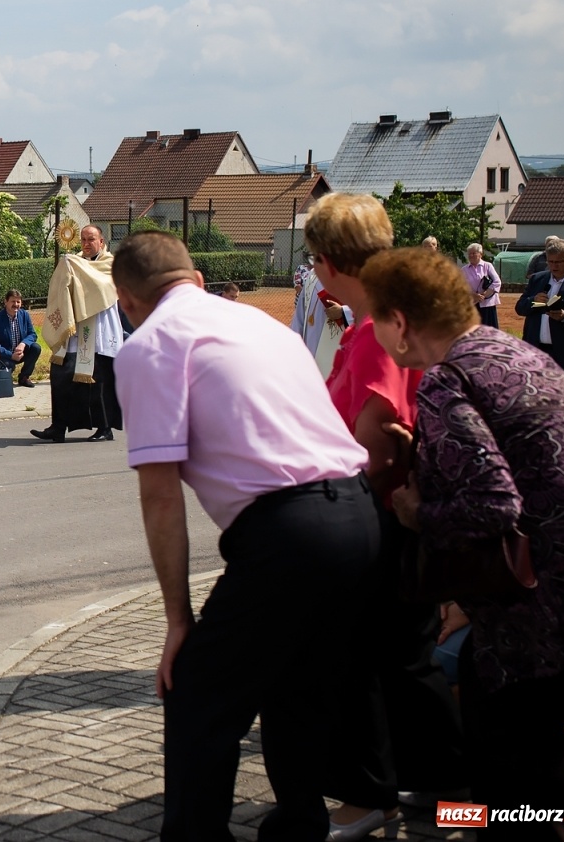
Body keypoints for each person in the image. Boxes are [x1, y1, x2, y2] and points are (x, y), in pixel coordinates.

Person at [111, 231, 379, 839]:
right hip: (359, 514)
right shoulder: (262, 325)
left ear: (126, 301)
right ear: (198, 279)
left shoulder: (150, 346)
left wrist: (180, 620)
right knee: (298, 687)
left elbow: (160, 494)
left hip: (289, 530)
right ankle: (299, 826)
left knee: (198, 698)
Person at [364, 247, 564, 836]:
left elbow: (493, 506)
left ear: (399, 321)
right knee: (491, 705)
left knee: (507, 722)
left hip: (558, 593)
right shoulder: (514, 351)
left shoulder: (445, 380)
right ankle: (503, 819)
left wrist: (416, 508)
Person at [303, 194, 465, 839]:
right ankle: (448, 792)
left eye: (315, 259)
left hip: (372, 516)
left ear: (333, 263)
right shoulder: (372, 330)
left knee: (351, 657)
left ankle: (366, 795)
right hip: (390, 517)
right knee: (404, 658)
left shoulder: (374, 336)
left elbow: (373, 446)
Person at [33, 224, 122, 443]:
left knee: (98, 382)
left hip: (98, 332)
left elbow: (101, 288)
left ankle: (104, 428)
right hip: (74, 330)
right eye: (82, 239)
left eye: (91, 239)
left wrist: (74, 266)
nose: (86, 244)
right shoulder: (74, 263)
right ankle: (58, 427)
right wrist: (67, 270)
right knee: (60, 375)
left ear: (101, 241)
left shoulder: (110, 265)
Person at [514, 238, 564, 379]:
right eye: (550, 261)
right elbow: (520, 308)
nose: (554, 266)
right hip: (536, 351)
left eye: (559, 262)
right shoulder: (537, 279)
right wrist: (533, 300)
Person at [0, 288, 39, 387]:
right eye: (13, 301)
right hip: (6, 356)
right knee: (9, 368)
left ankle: (24, 377)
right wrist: (11, 355)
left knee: (36, 348)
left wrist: (23, 344)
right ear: (6, 302)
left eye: (18, 302)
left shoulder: (24, 315)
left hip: (21, 352)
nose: (16, 304)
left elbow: (32, 334)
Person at [458, 243, 501, 330]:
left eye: (474, 253)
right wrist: (474, 295)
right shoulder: (464, 270)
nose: (471, 255)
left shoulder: (487, 266)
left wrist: (483, 295)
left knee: (489, 331)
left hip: (487, 304)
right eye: (469, 253)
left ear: (480, 254)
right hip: (472, 304)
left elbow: (497, 282)